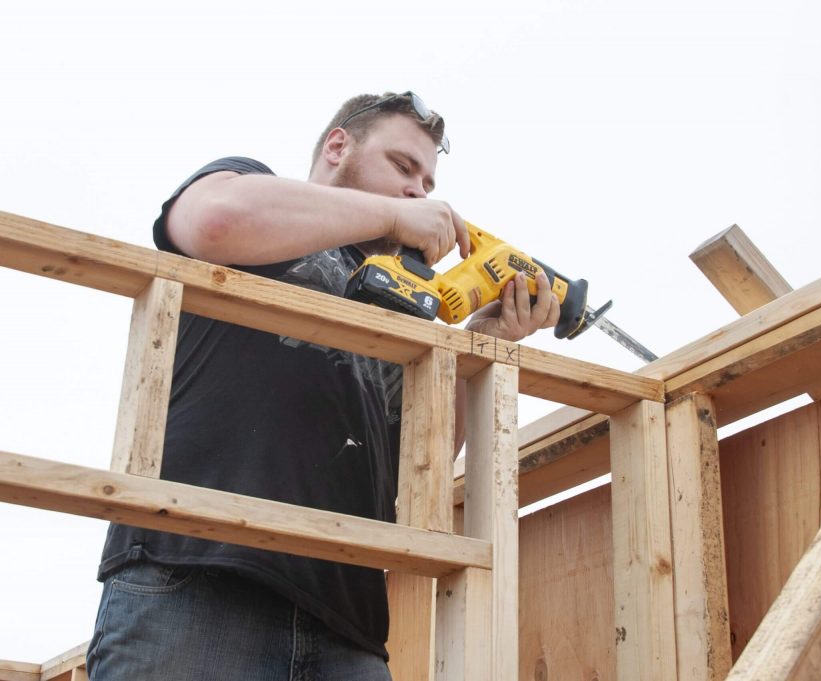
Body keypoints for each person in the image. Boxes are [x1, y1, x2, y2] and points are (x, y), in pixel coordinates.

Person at [85, 91, 559, 680]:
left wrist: (477, 347)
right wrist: (389, 217)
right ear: (338, 146)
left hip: (347, 620)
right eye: (403, 166)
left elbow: (427, 453)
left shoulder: (402, 301)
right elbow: (213, 220)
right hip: (197, 578)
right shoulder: (257, 199)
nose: (417, 192)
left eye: (427, 184)